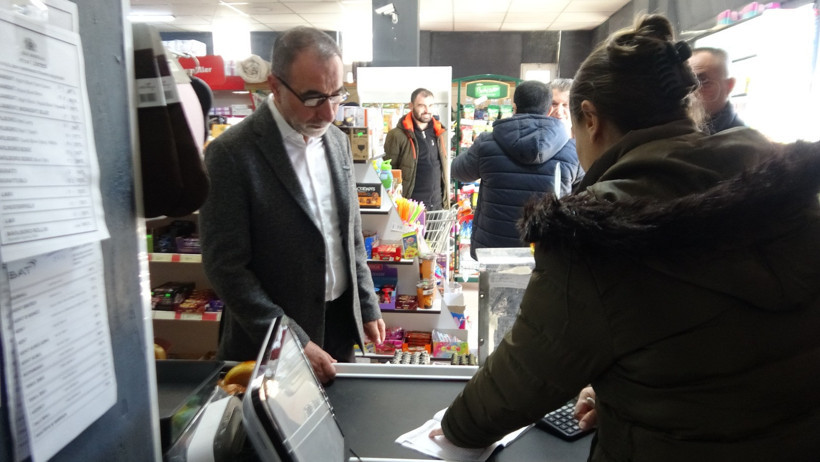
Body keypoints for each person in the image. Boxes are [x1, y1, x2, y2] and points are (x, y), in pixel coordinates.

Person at [432, 14, 820, 461]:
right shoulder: (781, 186)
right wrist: (623, 382)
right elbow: (723, 341)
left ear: (591, 119)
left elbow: (523, 377)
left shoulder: (597, 230)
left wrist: (455, 426)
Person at [199, 26, 385, 384]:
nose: (329, 112)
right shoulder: (230, 154)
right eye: (314, 97)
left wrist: (365, 301)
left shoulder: (337, 142)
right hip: (268, 342)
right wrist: (290, 340)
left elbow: (349, 235)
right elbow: (226, 268)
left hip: (338, 329)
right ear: (275, 85)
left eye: (337, 94)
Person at [450, 80, 582, 259]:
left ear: (514, 107)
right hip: (545, 249)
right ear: (549, 110)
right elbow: (582, 196)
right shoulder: (572, 151)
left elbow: (458, 171)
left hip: (493, 250)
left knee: (494, 288)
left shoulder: (487, 144)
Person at [383, 88, 449, 210]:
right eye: (422, 106)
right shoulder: (397, 135)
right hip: (411, 208)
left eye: (430, 105)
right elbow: (389, 173)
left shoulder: (440, 133)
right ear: (411, 106)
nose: (427, 111)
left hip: (437, 206)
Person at [689, 47, 745, 134]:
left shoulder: (745, 142)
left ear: (729, 86)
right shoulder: (680, 127)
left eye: (703, 81)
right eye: (685, 82)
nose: (690, 92)